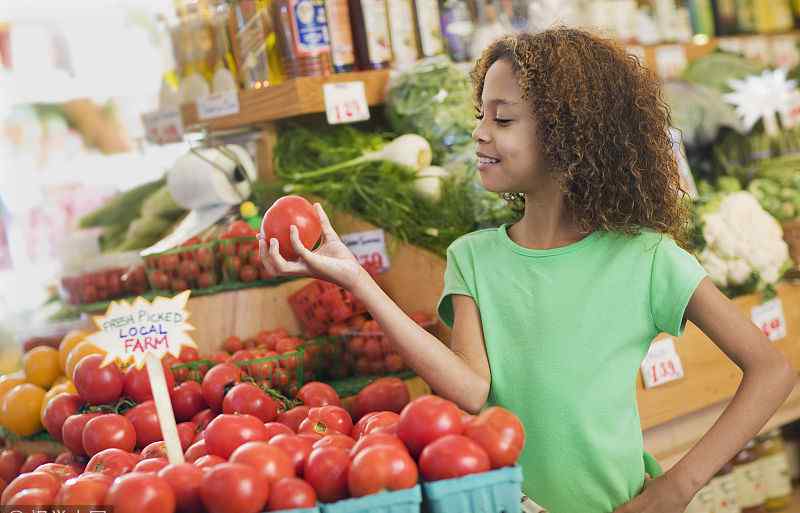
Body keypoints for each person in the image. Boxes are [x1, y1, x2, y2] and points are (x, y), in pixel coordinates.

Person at [259, 28, 796, 513]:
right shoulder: (471, 257)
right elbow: (469, 391)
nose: (481, 133)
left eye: (504, 118)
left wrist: (681, 484)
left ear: (570, 136)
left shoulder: (647, 258)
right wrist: (357, 280)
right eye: (480, 115)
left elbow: (771, 372)